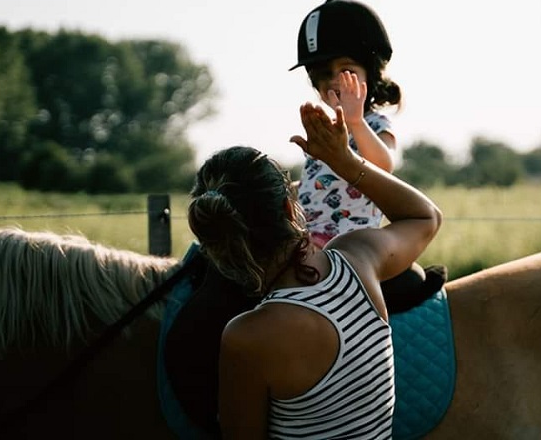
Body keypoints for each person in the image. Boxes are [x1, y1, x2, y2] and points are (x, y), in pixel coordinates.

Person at [187, 102, 442, 439]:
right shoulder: (357, 258)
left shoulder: (246, 337)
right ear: (289, 206)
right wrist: (344, 161)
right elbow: (425, 217)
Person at [289, 0, 445, 310]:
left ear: (369, 73)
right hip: (310, 239)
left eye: (346, 70)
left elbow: (384, 165)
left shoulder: (374, 123)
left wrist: (357, 121)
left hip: (355, 242)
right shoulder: (325, 127)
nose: (334, 80)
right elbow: (316, 185)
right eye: (323, 73)